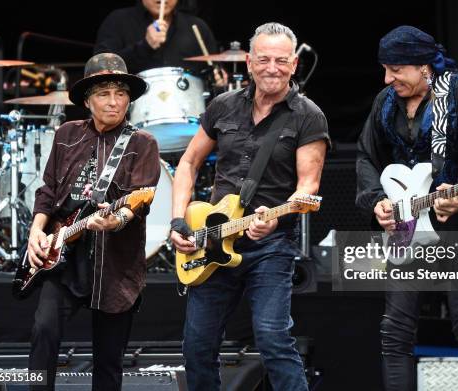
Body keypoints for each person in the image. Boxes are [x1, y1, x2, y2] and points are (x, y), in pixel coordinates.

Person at [169, 22, 330, 391]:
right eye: (263, 59)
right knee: (197, 347)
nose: (272, 67)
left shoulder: (308, 116)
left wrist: (274, 220)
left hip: (270, 247)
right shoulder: (222, 106)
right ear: (248, 61)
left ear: (293, 65)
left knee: (273, 340)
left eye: (281, 60)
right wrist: (179, 221)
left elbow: (309, 186)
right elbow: (189, 164)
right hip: (212, 241)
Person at [356, 26, 458, 390]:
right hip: (406, 226)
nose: (388, 78)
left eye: (396, 69)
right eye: (385, 69)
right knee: (395, 330)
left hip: (457, 225)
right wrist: (376, 201)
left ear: (424, 67)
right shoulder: (386, 102)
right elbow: (367, 157)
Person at [25, 53, 160, 390]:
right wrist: (35, 233)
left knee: (109, 364)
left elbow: (138, 203)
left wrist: (115, 222)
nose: (114, 102)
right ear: (87, 100)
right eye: (103, 93)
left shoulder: (143, 144)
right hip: (63, 258)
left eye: (120, 93)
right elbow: (48, 190)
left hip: (115, 265)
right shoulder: (67, 134)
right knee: (43, 330)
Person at [94, 0, 221, 76]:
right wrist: (145, 46)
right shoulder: (118, 20)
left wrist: (218, 77)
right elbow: (100, 68)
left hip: (189, 112)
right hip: (131, 111)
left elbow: (214, 70)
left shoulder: (197, 26)